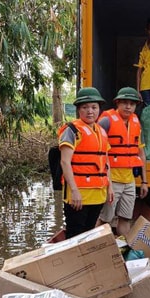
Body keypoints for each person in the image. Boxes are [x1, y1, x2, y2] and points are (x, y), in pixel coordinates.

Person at [58, 87, 114, 239]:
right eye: (85, 107)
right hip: (79, 194)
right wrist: (74, 190)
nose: (90, 111)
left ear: (99, 109)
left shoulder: (101, 131)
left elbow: (105, 161)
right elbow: (65, 162)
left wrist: (110, 187)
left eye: (94, 107)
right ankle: (73, 262)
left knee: (89, 232)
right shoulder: (72, 130)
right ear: (78, 110)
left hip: (98, 194)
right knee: (75, 234)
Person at [96, 87, 149, 236]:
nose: (128, 106)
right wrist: (107, 182)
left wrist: (144, 181)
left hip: (129, 181)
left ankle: (123, 249)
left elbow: (141, 153)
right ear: (117, 103)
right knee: (105, 218)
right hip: (111, 179)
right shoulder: (106, 120)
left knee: (126, 218)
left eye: (132, 104)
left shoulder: (136, 123)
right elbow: (98, 150)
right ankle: (95, 248)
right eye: (124, 103)